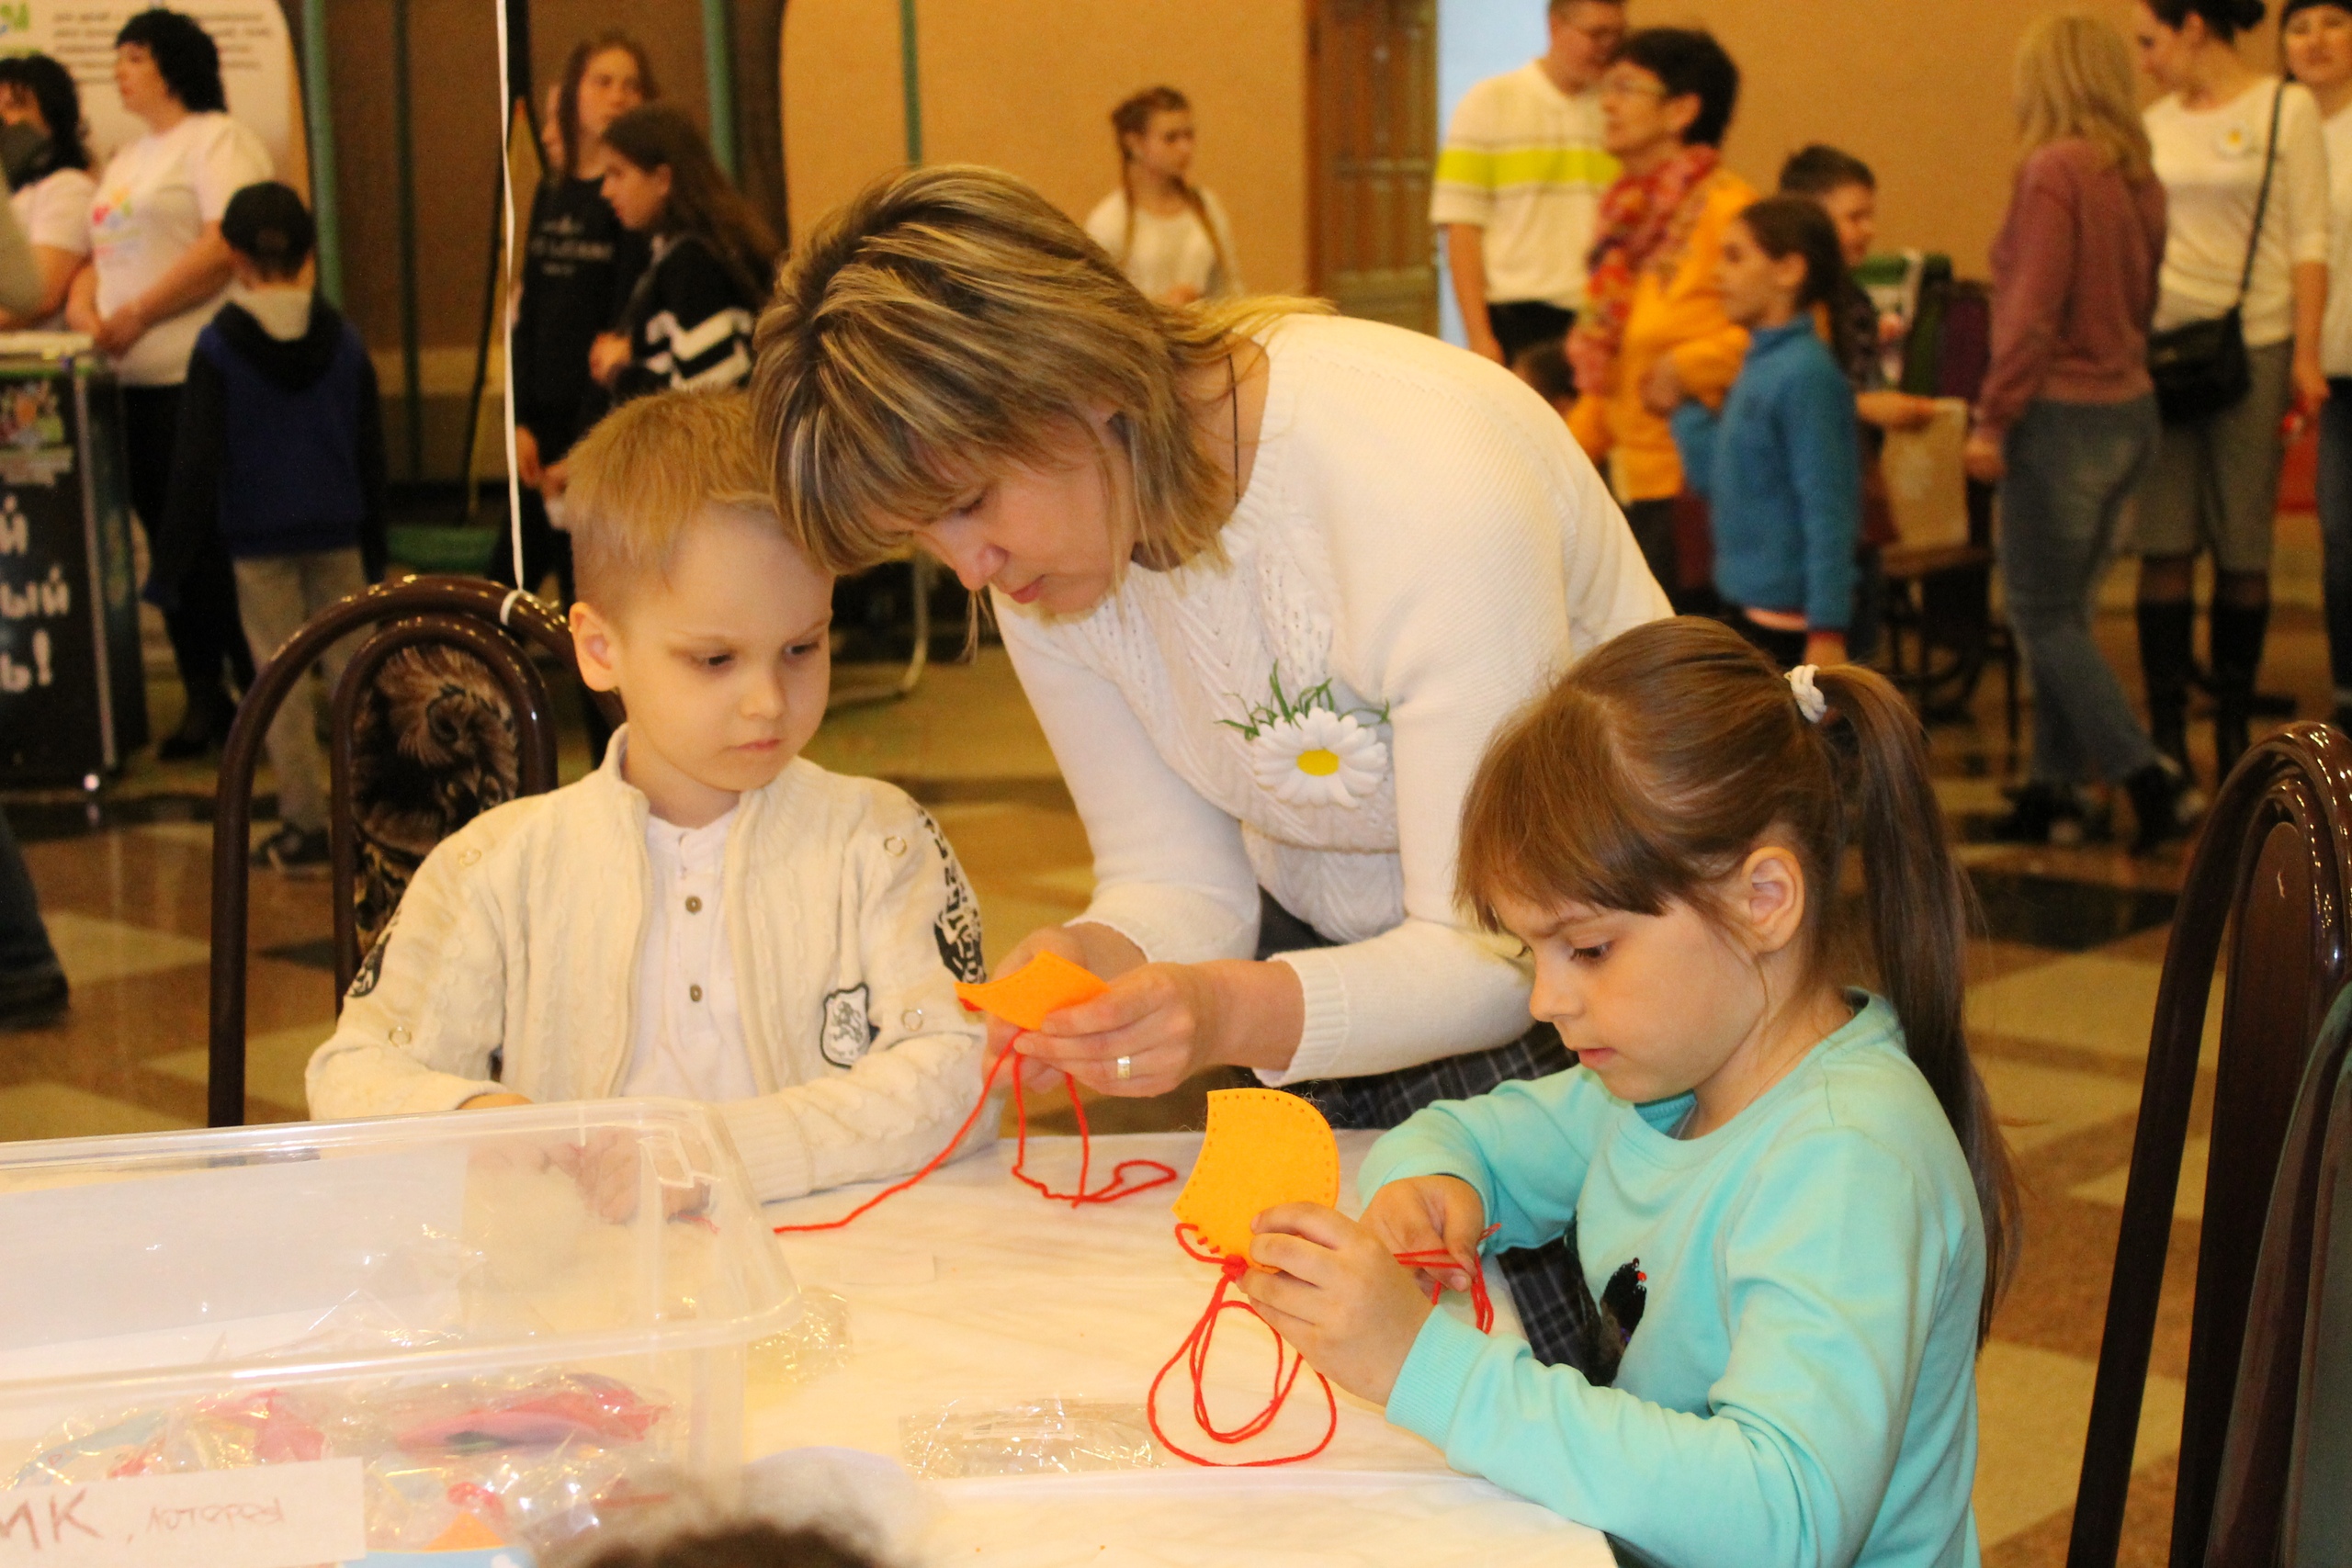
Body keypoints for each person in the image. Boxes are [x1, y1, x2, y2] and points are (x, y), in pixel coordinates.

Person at [752, 164, 1668, 1372]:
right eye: (925, 535)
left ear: (1080, 381)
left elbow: (1499, 953)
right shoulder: (1050, 554)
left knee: (1558, 1404)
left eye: (968, 502)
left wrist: (1227, 1008)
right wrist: (1098, 957)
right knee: (1335, 1366)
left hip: (1617, 984)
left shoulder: (1419, 481)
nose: (970, 568)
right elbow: (1178, 877)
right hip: (1345, 977)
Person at [1237, 619, 2017, 1566]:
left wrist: (1427, 1368)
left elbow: (1787, 1520)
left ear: (1764, 902)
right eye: (1533, 952)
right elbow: (1458, 1136)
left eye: (1590, 949)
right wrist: (1432, 1188)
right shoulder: (1662, 1083)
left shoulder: (1847, 1161)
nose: (1545, 999)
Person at [306, 391, 995, 1207]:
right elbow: (350, 1078)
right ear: (600, 648)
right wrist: (477, 1119)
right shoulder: (493, 867)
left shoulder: (883, 843)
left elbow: (962, 1072)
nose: (768, 701)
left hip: (827, 1264)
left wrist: (718, 1153)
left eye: (802, 647)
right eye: (715, 660)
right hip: (581, 1271)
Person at [1961, 15, 2196, 854]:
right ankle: (2056, 793)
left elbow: (2031, 314)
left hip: (2061, 418)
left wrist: (1993, 419)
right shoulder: (2138, 175)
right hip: (2131, 411)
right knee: (2065, 614)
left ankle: (2147, 777)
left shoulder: (2053, 170)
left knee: (2040, 611)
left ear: (2046, 80)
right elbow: (2145, 299)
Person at [153, 183, 387, 875]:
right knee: (356, 677)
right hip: (339, 528)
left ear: (233, 256)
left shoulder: (218, 347)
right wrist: (376, 541)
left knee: (278, 681)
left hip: (259, 538)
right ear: (310, 254)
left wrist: (170, 568)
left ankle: (305, 823)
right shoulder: (343, 340)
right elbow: (371, 449)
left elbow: (195, 461)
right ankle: (373, 820)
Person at [2133, 0, 2330, 780]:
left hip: (2256, 340)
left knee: (2244, 545)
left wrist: (2306, 352)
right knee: (2164, 542)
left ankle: (2234, 725)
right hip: (2164, 350)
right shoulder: (2153, 124)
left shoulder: (2284, 108)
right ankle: (2167, 732)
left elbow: (2310, 236)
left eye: (2151, 40)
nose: (2145, 60)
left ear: (2193, 26)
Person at [69, 7, 269, 760]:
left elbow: (226, 242)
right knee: (167, 543)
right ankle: (201, 694)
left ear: (173, 64)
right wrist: (89, 311)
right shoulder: (126, 159)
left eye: (134, 56)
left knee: (212, 538)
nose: (119, 70)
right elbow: (96, 255)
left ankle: (259, 696)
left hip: (198, 374)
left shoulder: (216, 140)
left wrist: (141, 312)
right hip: (129, 378)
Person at [1565, 28, 1752, 609]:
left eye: (1626, 88)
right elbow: (1611, 368)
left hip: (1699, 486)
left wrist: (1687, 366)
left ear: (1682, 110)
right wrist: (1556, 453)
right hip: (1628, 483)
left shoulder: (1730, 212)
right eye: (1606, 88)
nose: (1608, 104)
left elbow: (1784, 332)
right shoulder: (1625, 221)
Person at [1670, 197, 1863, 670]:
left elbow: (1828, 509)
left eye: (1735, 257)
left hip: (1794, 622)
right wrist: (1685, 411)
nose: (1717, 274)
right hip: (1749, 603)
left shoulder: (1805, 373)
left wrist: (1827, 629)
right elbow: (1720, 480)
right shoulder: (1760, 364)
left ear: (1788, 270)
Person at [507, 31, 654, 600]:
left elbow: (621, 322)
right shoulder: (551, 193)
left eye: (631, 85)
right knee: (507, 586)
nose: (618, 96)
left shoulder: (629, 201)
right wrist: (520, 419)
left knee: (586, 590)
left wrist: (586, 444)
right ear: (573, 93)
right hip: (541, 420)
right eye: (603, 82)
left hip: (594, 422)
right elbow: (527, 312)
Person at [1779, 144, 1937, 664]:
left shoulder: (1855, 300)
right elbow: (1787, 403)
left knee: (1860, 645)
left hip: (1855, 499)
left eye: (1870, 216)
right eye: (1854, 217)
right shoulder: (1787, 307)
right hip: (1803, 510)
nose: (1867, 230)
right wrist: (1865, 406)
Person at [1431, 0, 1625, 367]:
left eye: (1617, 35)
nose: (1607, 48)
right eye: (1597, 34)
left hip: (1603, 318)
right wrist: (1479, 336)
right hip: (1520, 316)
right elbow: (1461, 229)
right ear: (1555, 26)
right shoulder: (1489, 102)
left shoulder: (1620, 112)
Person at [589, 105, 776, 402]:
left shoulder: (694, 263)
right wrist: (635, 349)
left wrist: (620, 373)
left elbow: (709, 393)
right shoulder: (677, 252)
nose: (606, 190)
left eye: (618, 174)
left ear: (662, 179)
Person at [2286, 0, 2352, 732]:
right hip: (2328, 370)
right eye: (2299, 29)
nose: (2316, 41)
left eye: (2332, 22)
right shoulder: (2282, 130)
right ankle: (2347, 693)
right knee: (2342, 540)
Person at [1084, 86, 1243, 307]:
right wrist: (1161, 309)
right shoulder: (1109, 222)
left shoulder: (1205, 207)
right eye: (1171, 138)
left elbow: (1231, 290)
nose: (1185, 148)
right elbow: (1097, 306)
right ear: (1135, 143)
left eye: (1189, 135)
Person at [0, 54, 93, 332]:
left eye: (14, 106)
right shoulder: (12, 194)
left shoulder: (67, 187)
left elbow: (40, 297)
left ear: (53, 115)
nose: (3, 120)